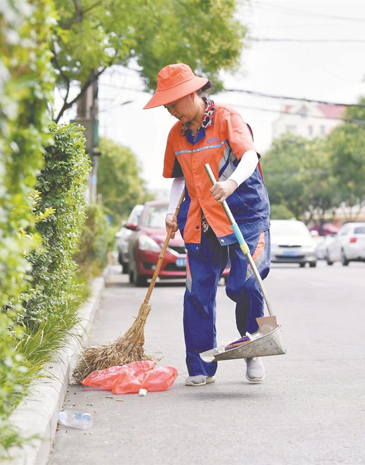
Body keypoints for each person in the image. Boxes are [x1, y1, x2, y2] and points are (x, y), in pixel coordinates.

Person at [143, 63, 271, 387]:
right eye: (167, 105)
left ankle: (254, 345)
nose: (170, 111)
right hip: (200, 219)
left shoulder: (228, 118)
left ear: (192, 94)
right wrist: (173, 211)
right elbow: (178, 177)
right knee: (196, 293)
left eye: (173, 103)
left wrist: (230, 185)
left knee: (244, 285)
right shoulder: (176, 134)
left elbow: (250, 156)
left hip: (244, 214)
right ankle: (200, 365)